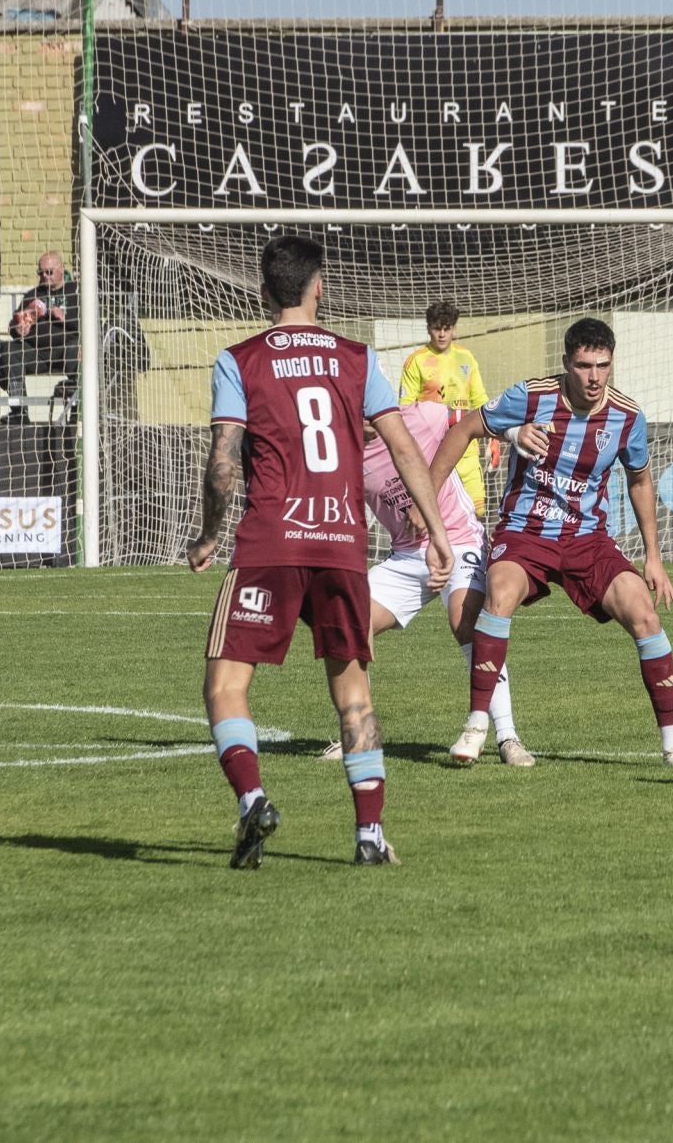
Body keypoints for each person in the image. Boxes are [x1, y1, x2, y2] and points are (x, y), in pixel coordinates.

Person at [186, 234, 451, 870]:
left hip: (272, 541)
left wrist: (209, 531)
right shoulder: (357, 358)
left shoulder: (240, 359)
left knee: (225, 685)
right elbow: (406, 449)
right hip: (340, 543)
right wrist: (437, 531)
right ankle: (369, 834)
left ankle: (252, 796)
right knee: (353, 693)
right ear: (319, 285)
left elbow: (224, 461)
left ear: (262, 289)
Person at [431, 317, 673, 768]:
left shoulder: (627, 416)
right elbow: (463, 431)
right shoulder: (532, 396)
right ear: (566, 363)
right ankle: (477, 725)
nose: (594, 377)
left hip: (587, 539)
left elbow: (639, 479)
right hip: (525, 531)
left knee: (644, 612)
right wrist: (427, 504)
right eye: (583, 366)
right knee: (499, 596)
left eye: (602, 365)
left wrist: (653, 556)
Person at [335, 400, 531, 767]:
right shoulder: (345, 457)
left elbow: (476, 419)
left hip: (459, 540)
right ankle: (359, 732)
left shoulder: (420, 416)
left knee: (466, 621)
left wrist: (512, 432)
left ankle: (507, 737)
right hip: (407, 557)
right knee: (348, 623)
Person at [401, 300, 489, 515]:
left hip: (466, 449)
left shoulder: (466, 358)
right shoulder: (416, 361)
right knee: (439, 516)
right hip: (434, 452)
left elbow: (480, 400)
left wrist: (493, 438)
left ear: (454, 329)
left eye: (446, 328)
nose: (441, 334)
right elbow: (405, 409)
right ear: (428, 328)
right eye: (436, 328)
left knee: (476, 512)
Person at [0, 251, 78, 425]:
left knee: (78, 348)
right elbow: (13, 324)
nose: (45, 276)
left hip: (65, 349)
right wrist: (18, 329)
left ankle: (77, 407)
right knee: (10, 350)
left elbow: (91, 324)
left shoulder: (76, 291)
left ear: (61, 269)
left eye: (49, 272)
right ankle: (19, 411)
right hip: (37, 352)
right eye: (41, 273)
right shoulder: (33, 294)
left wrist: (65, 317)